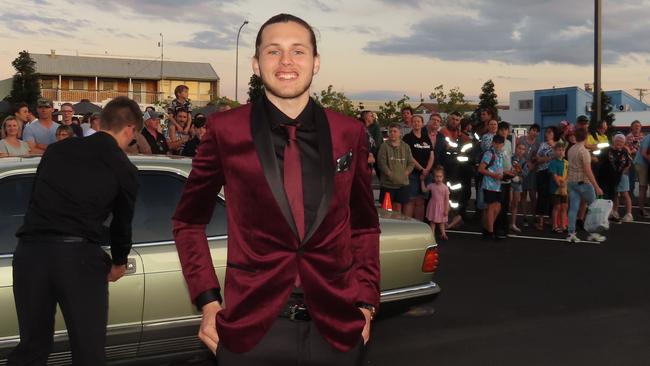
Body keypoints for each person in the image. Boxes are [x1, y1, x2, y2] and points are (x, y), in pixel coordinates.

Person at [172, 14, 379, 365]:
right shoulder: (226, 130)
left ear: (315, 63)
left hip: (336, 329)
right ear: (256, 64)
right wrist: (208, 302)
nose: (286, 61)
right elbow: (188, 223)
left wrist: (366, 302)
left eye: (298, 51)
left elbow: (364, 224)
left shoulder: (349, 133)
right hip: (252, 331)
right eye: (273, 51)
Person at [8, 96, 140, 366]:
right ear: (130, 129)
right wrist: (118, 262)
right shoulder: (123, 167)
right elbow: (121, 225)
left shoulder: (58, 150)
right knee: (88, 351)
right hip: (78, 259)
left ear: (101, 122)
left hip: (30, 254)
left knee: (31, 348)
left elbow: (36, 200)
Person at [567, 128, 606, 243]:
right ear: (585, 137)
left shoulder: (570, 149)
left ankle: (571, 233)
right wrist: (597, 187)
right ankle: (594, 233)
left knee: (573, 209)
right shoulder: (584, 152)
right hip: (584, 183)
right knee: (594, 208)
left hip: (572, 182)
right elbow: (588, 171)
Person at [402, 115, 433, 220]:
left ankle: (419, 225)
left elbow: (432, 155)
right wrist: (421, 169)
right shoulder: (407, 138)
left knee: (421, 200)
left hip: (426, 174)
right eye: (414, 121)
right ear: (411, 123)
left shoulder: (426, 137)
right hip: (413, 173)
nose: (416, 123)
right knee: (410, 200)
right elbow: (409, 156)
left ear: (422, 123)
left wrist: (427, 170)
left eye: (419, 121)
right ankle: (407, 225)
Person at [378, 123, 414, 213]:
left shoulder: (406, 146)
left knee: (398, 208)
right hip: (388, 184)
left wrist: (405, 173)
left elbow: (411, 163)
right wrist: (390, 174)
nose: (392, 133)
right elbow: (381, 163)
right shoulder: (384, 146)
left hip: (403, 184)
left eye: (395, 131)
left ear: (400, 133)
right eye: (390, 131)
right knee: (386, 210)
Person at [478, 134, 505, 240]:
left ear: (503, 144)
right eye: (496, 143)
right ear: (493, 143)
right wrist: (493, 175)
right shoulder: (489, 154)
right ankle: (490, 232)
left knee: (497, 207)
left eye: (500, 143)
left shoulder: (500, 154)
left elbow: (499, 169)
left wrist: (507, 174)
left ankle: (488, 229)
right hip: (489, 185)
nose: (498, 145)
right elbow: (481, 169)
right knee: (491, 207)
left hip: (497, 185)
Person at [534, 126, 559, 231]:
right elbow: (537, 158)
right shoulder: (542, 144)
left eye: (550, 132)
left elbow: (560, 156)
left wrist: (548, 157)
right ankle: (540, 221)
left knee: (552, 196)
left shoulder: (558, 144)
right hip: (542, 172)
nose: (547, 134)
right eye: (546, 132)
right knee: (542, 195)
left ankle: (551, 219)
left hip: (553, 172)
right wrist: (548, 158)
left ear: (554, 134)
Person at [605, 134, 633, 222]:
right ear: (614, 141)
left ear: (624, 142)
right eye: (617, 140)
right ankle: (614, 212)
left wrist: (622, 172)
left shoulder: (625, 151)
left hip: (622, 175)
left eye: (621, 141)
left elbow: (628, 164)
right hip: (612, 176)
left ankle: (629, 214)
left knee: (625, 194)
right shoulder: (609, 150)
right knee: (615, 194)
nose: (619, 143)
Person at [517, 124, 540, 227]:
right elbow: (518, 153)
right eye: (533, 130)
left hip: (533, 171)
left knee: (533, 195)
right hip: (522, 169)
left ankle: (534, 216)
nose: (534, 132)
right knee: (523, 194)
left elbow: (537, 158)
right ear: (529, 131)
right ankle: (525, 216)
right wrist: (526, 163)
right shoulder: (521, 139)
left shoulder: (538, 144)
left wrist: (533, 165)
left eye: (536, 131)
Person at [494, 122, 514, 238]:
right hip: (499, 178)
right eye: (501, 130)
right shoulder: (496, 144)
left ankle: (504, 229)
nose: (503, 132)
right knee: (498, 205)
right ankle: (497, 229)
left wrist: (512, 170)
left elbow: (509, 159)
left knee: (506, 204)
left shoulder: (509, 143)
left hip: (508, 178)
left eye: (505, 130)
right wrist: (503, 172)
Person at [421, 166, 450, 240]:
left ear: (443, 177)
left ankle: (443, 234)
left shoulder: (445, 188)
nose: (438, 178)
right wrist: (422, 181)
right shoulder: (431, 186)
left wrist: (446, 209)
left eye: (440, 177)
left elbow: (447, 200)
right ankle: (432, 234)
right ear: (434, 177)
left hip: (441, 207)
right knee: (433, 222)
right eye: (437, 177)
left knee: (441, 222)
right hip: (433, 206)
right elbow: (424, 190)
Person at [548, 143, 569, 233]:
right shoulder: (553, 162)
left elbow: (568, 174)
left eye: (562, 150)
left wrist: (565, 183)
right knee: (557, 206)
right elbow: (554, 175)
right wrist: (559, 184)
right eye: (559, 150)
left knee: (564, 206)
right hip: (555, 189)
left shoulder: (566, 163)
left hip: (564, 189)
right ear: (555, 151)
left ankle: (563, 225)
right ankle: (554, 225)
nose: (561, 152)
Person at [510, 143, 528, 232]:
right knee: (506, 203)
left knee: (515, 204)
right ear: (516, 148)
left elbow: (525, 174)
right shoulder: (510, 158)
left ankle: (513, 223)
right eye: (519, 148)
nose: (521, 150)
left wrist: (519, 169)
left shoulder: (524, 161)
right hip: (509, 183)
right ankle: (501, 222)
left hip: (517, 185)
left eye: (523, 149)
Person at [633, 131, 650, 218]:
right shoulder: (648, 137)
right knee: (643, 187)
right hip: (641, 164)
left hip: (646, 163)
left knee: (644, 187)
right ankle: (641, 210)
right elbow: (643, 153)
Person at [625, 120, 644, 196]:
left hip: (642, 161)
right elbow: (627, 149)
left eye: (639, 126)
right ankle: (631, 196)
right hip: (632, 161)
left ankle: (641, 197)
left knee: (642, 181)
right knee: (631, 179)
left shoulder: (643, 136)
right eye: (635, 126)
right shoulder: (628, 137)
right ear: (631, 127)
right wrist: (635, 150)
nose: (637, 127)